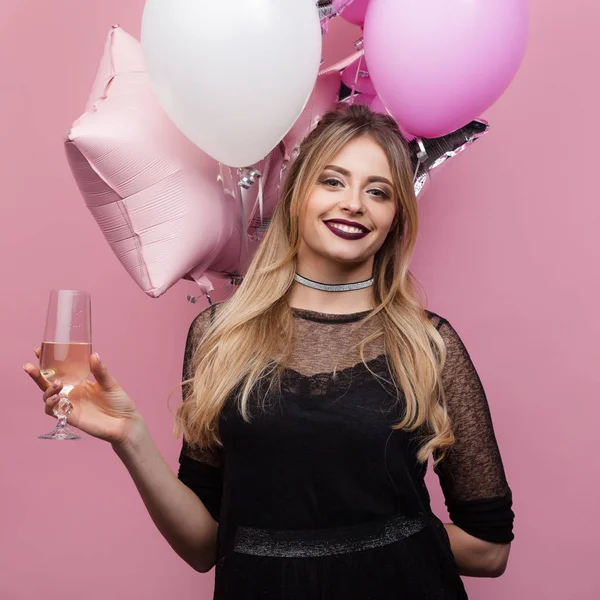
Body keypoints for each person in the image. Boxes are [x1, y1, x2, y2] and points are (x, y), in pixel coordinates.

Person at [24, 104, 514, 599]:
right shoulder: (220, 335)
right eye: (333, 181)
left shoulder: (428, 345)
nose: (354, 204)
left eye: (378, 191)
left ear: (395, 218)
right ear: (298, 194)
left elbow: (490, 550)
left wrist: (366, 544)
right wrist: (130, 437)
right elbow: (203, 546)